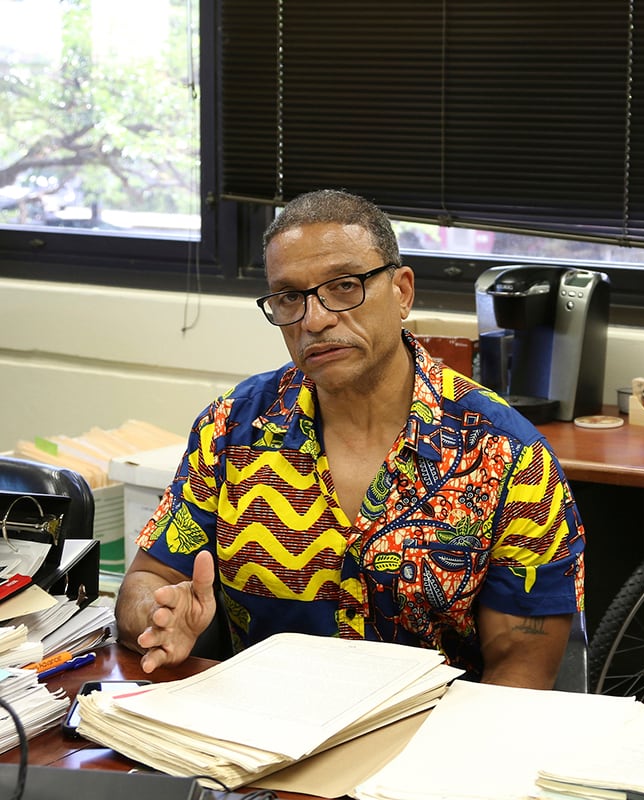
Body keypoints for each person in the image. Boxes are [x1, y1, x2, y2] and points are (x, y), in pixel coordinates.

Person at [115, 189, 585, 689]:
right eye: (289, 297)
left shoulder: (503, 453)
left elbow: (522, 663)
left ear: (402, 291)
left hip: (428, 743)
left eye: (343, 286)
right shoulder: (233, 428)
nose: (314, 320)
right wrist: (158, 618)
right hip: (259, 732)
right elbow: (146, 584)